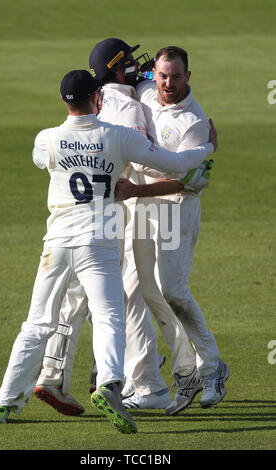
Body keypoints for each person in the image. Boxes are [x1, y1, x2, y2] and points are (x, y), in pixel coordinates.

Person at [0, 69, 217, 433]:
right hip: (101, 243)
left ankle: (3, 403)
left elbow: (38, 158)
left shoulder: (47, 138)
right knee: (110, 316)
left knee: (37, 323)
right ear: (98, 98)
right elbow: (176, 164)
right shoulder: (119, 136)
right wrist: (208, 148)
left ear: (63, 100)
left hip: (57, 243)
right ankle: (109, 383)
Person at [33, 38, 206, 414]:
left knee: (85, 299)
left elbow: (145, 77)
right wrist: (201, 155)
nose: (139, 65)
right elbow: (148, 161)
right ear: (116, 68)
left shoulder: (108, 94)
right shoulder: (127, 105)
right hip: (122, 212)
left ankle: (60, 375)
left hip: (80, 217)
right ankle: (148, 378)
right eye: (129, 60)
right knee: (127, 297)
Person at [115, 46, 229, 414]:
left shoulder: (194, 123)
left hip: (175, 211)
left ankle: (212, 369)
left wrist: (134, 189)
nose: (167, 83)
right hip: (142, 209)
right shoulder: (148, 88)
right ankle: (185, 372)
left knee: (172, 290)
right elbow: (134, 75)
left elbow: (181, 181)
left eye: (175, 76)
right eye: (162, 75)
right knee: (143, 291)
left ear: (188, 77)